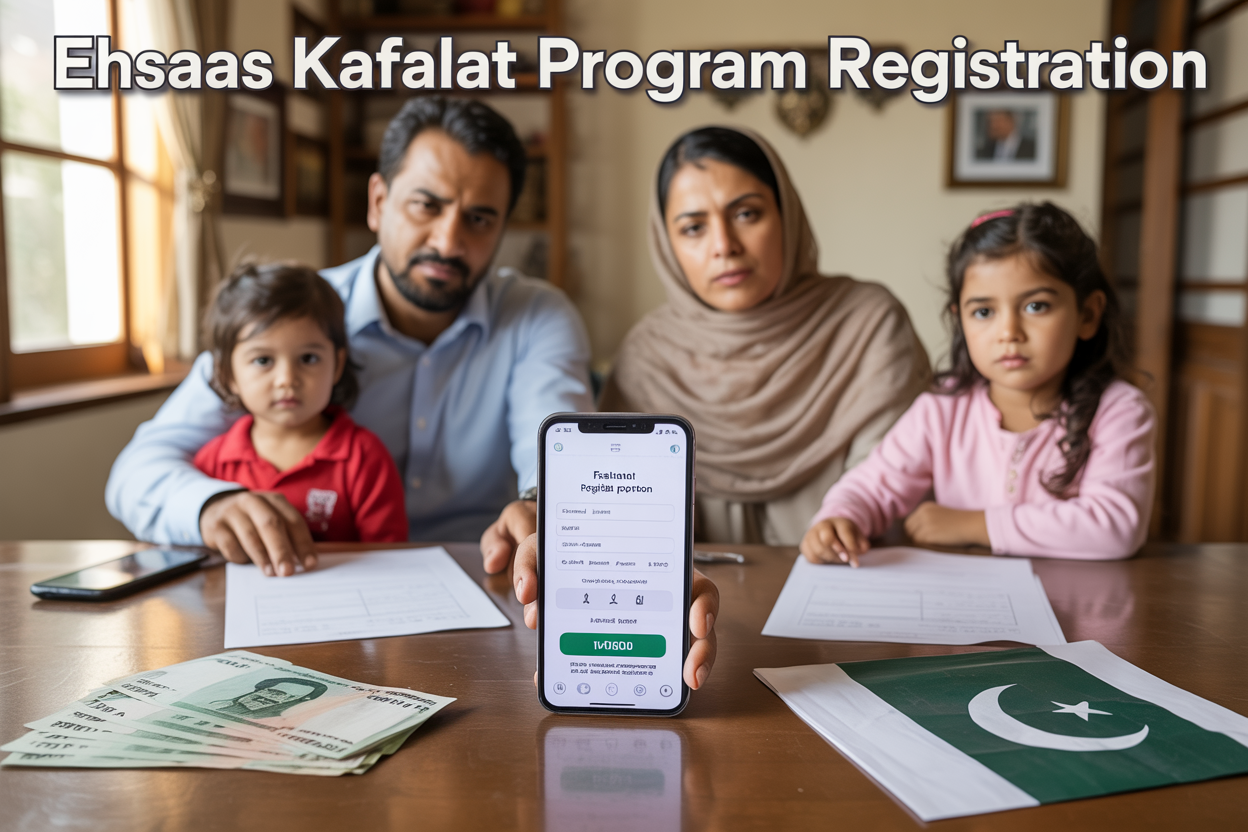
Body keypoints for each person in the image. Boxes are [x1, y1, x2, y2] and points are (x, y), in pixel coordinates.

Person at [107, 95, 721, 690]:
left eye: (480, 219)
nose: (449, 241)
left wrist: (549, 505)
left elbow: (556, 441)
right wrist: (211, 505)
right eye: (426, 205)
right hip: (310, 611)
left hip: (488, 611)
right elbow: (136, 471)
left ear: (504, 225)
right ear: (378, 201)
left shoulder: (537, 314)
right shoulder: (290, 320)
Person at [599, 126, 931, 545]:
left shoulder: (868, 324)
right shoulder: (647, 356)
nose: (724, 245)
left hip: (850, 589)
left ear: (786, 214)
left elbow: (892, 489)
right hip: (698, 605)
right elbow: (621, 522)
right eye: (693, 228)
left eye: (746, 214)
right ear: (667, 244)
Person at [802, 203, 1155, 564]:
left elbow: (1115, 527)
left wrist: (975, 525)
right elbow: (873, 486)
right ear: (961, 319)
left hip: (1075, 607)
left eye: (1036, 306)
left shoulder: (1119, 411)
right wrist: (839, 517)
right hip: (964, 607)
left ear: (1088, 314)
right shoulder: (941, 409)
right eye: (984, 312)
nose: (1009, 333)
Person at [193, 262, 408, 556]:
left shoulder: (365, 458)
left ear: (337, 365)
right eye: (263, 361)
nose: (287, 380)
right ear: (228, 375)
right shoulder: (212, 464)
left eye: (308, 358)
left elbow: (391, 561)